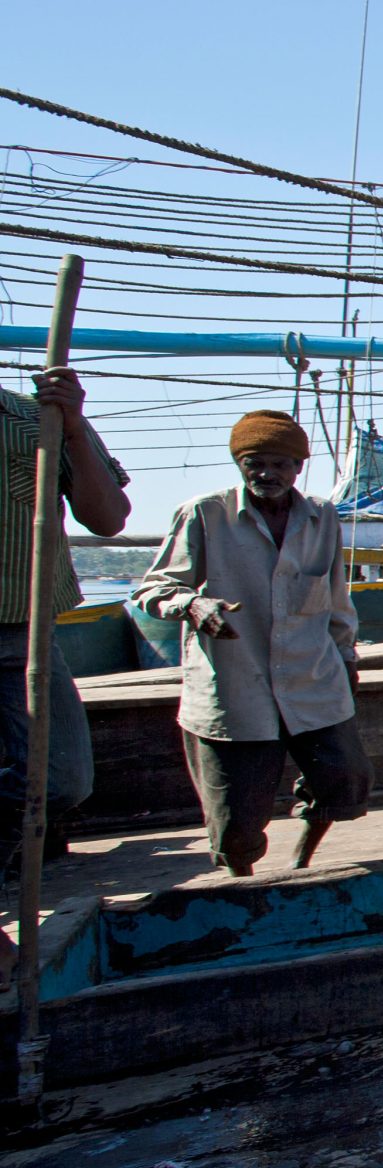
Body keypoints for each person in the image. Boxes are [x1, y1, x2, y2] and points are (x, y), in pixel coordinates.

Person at [134, 412, 372, 874]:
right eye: (254, 462)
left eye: (280, 464)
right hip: (235, 687)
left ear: (298, 467)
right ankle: (243, 886)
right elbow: (153, 589)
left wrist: (346, 656)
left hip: (311, 680)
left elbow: (335, 598)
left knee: (345, 781)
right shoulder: (204, 513)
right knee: (236, 817)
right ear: (238, 464)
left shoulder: (321, 517)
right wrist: (194, 607)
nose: (268, 474)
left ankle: (299, 863)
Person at [0, 364, 130, 876]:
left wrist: (72, 427)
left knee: (61, 778)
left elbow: (107, 519)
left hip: (20, 636)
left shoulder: (40, 418)